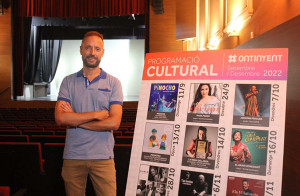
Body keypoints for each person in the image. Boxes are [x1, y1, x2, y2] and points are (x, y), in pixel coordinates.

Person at [55, 31, 123, 196]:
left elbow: (114, 123)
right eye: (88, 48)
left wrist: (76, 119)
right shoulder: (67, 81)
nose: (92, 53)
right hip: (73, 156)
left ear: (103, 52)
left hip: (103, 157)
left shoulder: (114, 83)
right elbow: (60, 118)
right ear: (80, 50)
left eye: (97, 49)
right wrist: (96, 114)